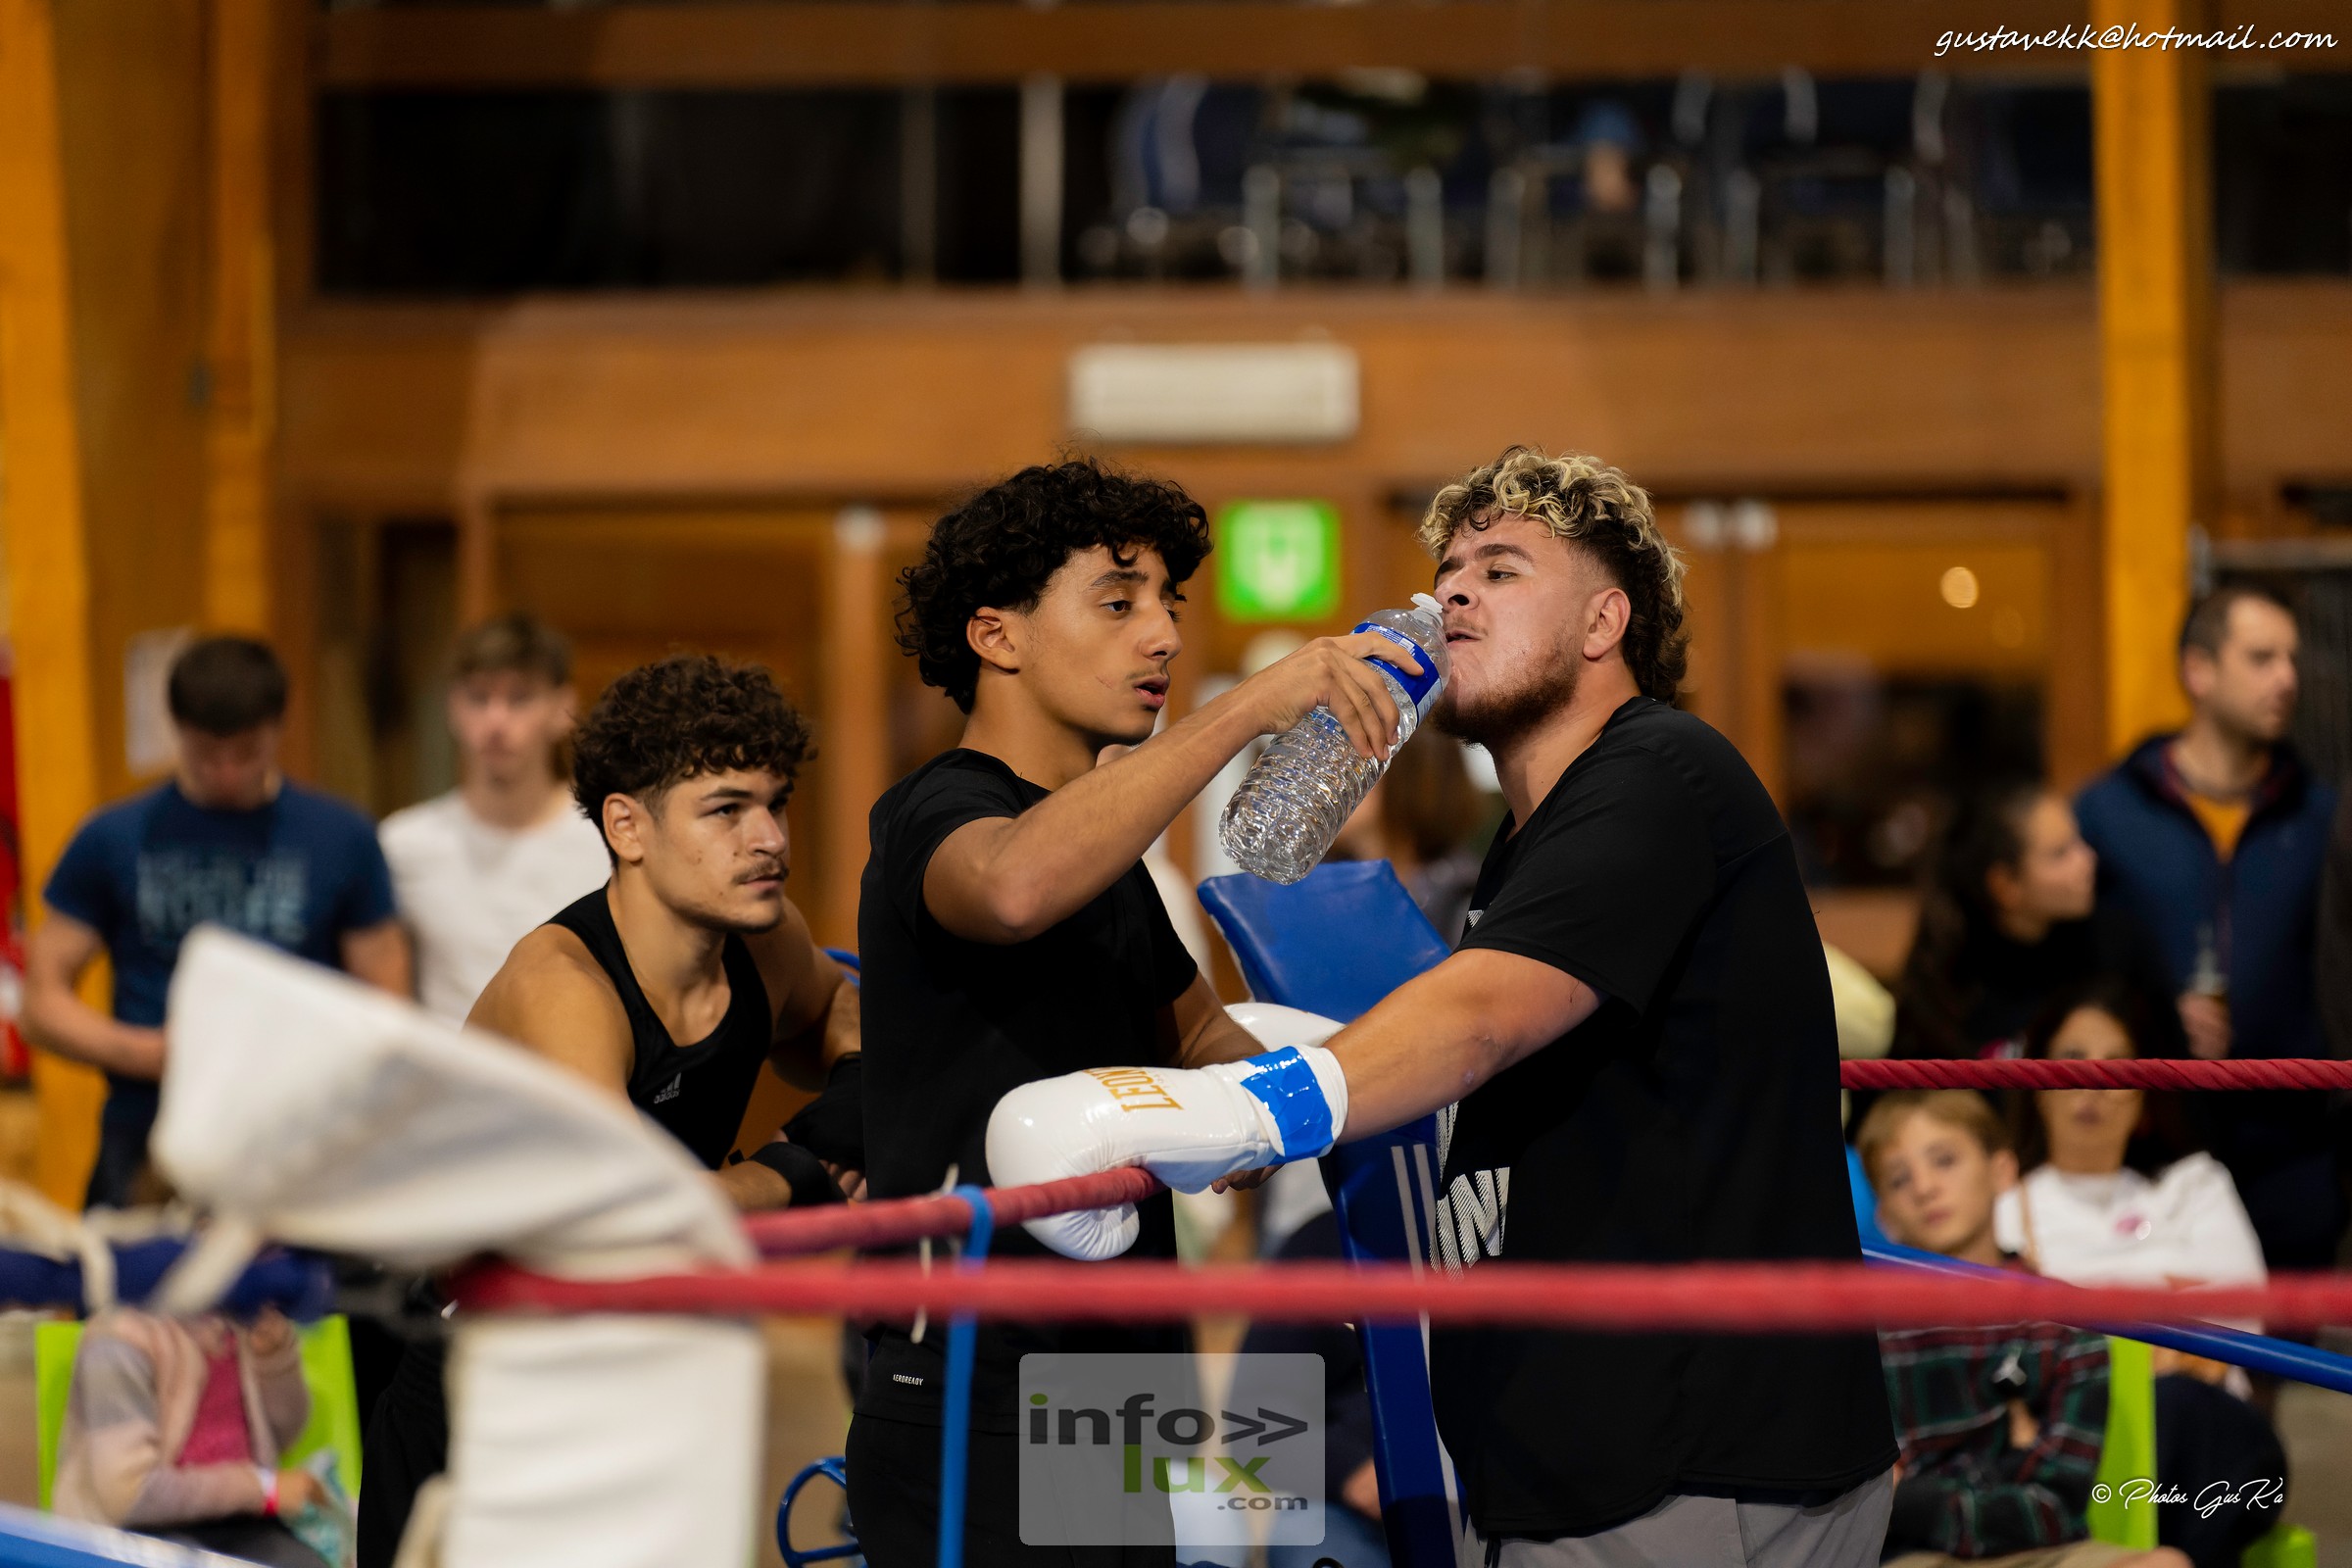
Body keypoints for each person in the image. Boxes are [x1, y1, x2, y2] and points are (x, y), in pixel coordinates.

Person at [990, 448, 1897, 1567]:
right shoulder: (1529, 840)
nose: (1453, 594)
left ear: (1604, 621)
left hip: (1694, 1463)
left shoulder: (1662, 771)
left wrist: (1241, 1111)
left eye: (1501, 571)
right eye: (1449, 572)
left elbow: (1481, 1020)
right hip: (1581, 1461)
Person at [846, 457, 1423, 1568]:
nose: (1161, 635)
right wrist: (1244, 709)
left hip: (1116, 1368)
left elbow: (1203, 1039)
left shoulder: (1110, 860)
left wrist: (1336, 1095)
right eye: (1118, 604)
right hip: (973, 1377)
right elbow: (1011, 888)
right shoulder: (937, 809)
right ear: (996, 635)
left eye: (1168, 603)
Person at [359, 653, 864, 1568]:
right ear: (628, 827)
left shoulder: (766, 938)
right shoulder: (565, 988)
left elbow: (834, 1007)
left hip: (643, 1361)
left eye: (776, 803)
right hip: (489, 1376)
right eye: (726, 810)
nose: (769, 839)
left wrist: (857, 1081)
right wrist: (795, 1167)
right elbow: (631, 1210)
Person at [24, 636, 410, 1210]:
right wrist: (152, 1053)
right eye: (206, 754)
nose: (227, 773)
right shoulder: (113, 837)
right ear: (177, 730)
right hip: (148, 1133)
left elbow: (387, 1003)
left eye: (247, 753)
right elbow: (41, 1004)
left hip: (295, 1131)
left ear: (279, 728)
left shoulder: (342, 837)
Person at [2073, 585, 2341, 1270]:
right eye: (2262, 658)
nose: (2287, 678)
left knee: (2296, 1332)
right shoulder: (2109, 814)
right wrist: (2162, 1015)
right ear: (2199, 670)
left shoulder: (2321, 816)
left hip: (2296, 1149)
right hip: (2152, 1150)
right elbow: (2080, 971)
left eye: (2292, 659)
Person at [1994, 982, 2286, 1568]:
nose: (2093, 1082)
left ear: (2147, 1091)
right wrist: (2167, 1316)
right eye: (2072, 1059)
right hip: (2072, 1439)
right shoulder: (2000, 1204)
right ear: (2035, 1081)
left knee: (2173, 1408)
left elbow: (2241, 1325)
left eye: (2117, 1064)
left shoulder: (2194, 1185)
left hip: (2209, 1437)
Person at [1857, 1090, 2188, 1568]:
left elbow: (2054, 1508)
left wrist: (1912, 1497)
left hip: (2044, 1553)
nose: (1924, 1187)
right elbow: (1865, 1508)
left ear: (2002, 1170)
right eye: (1898, 1178)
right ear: (1884, 1216)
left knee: (2165, 1564)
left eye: (1944, 1160)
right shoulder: (1869, 1337)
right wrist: (2010, 1468)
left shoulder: (2065, 1319)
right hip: (1918, 1559)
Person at [378, 614, 609, 1023]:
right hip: (447, 1062)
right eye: (478, 698)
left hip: (572, 1060)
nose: (496, 721)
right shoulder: (403, 843)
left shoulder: (607, 838)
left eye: (520, 698)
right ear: (453, 708)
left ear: (563, 708)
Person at [1892, 782, 2180, 1064]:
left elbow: (2172, 1066)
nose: (2088, 858)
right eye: (2060, 853)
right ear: (2005, 886)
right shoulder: (1947, 975)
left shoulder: (2118, 944)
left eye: (2078, 839)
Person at [55, 1304, 338, 1567]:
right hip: (135, 1531)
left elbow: (283, 1437)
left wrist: (273, 1356)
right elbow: (129, 1496)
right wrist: (262, 1489)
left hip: (242, 1520)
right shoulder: (117, 1338)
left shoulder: (232, 1320)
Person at [1327, 729, 1491, 942]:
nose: (1332, 783)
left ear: (1411, 774)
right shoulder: (1324, 892)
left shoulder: (1469, 904)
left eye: (1353, 766)